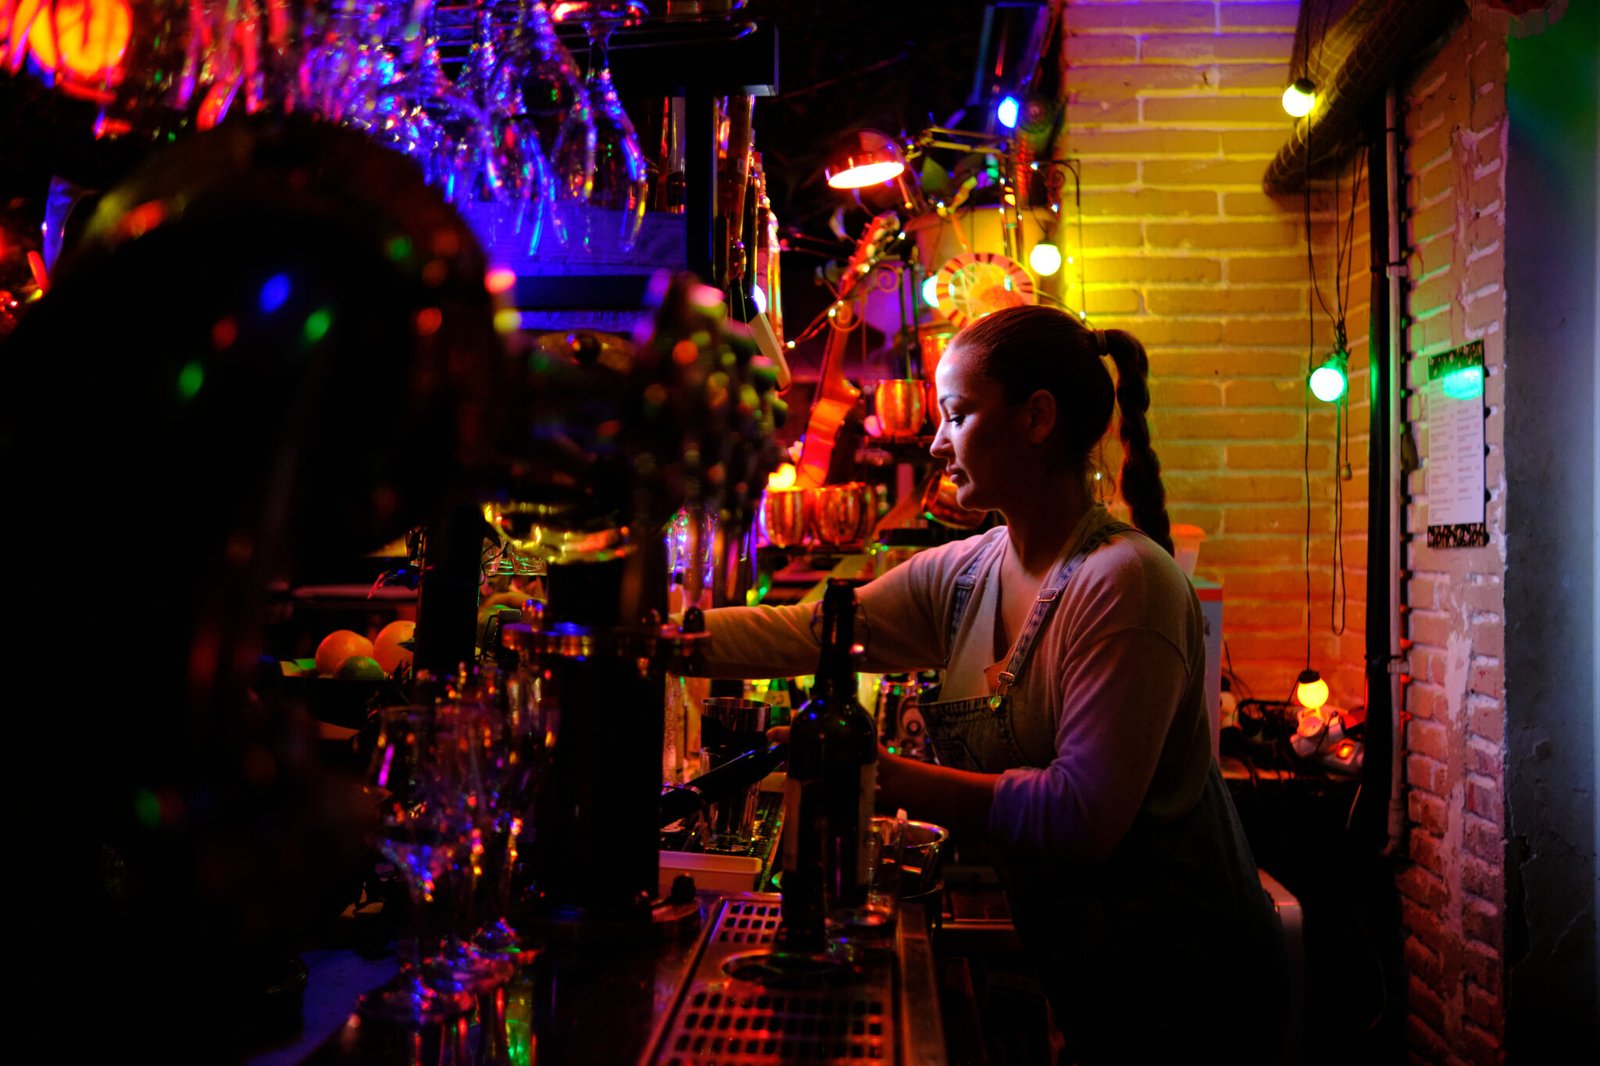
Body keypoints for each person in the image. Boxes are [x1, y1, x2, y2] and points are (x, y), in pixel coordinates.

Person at [702, 304, 1287, 1063]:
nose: (939, 440)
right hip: (1091, 974)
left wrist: (874, 777)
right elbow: (807, 632)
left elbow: (1081, 816)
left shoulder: (1126, 583)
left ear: (1036, 417)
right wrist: (642, 640)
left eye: (957, 414)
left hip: (1193, 992)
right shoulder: (967, 571)